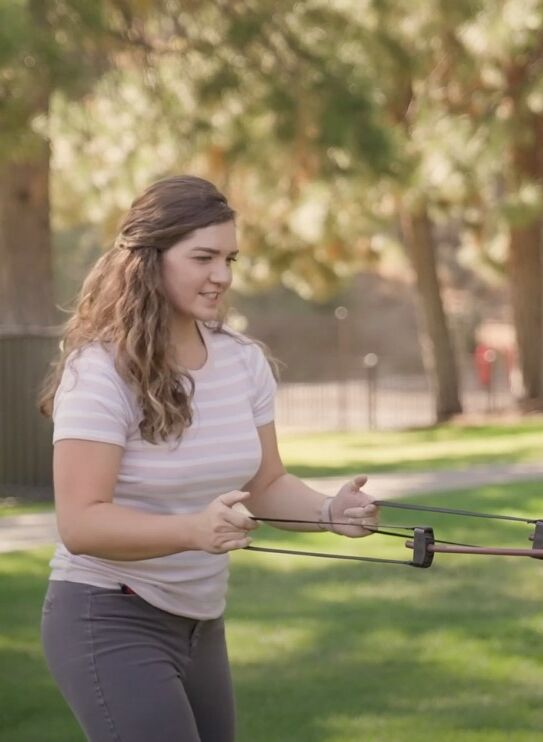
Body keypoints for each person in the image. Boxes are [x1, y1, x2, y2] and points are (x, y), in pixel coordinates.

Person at [38, 175, 379, 742]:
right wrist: (193, 530)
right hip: (107, 615)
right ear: (150, 259)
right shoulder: (99, 373)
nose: (221, 275)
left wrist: (328, 512)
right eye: (203, 257)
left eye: (229, 258)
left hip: (200, 623)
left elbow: (266, 483)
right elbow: (81, 522)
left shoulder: (242, 362)